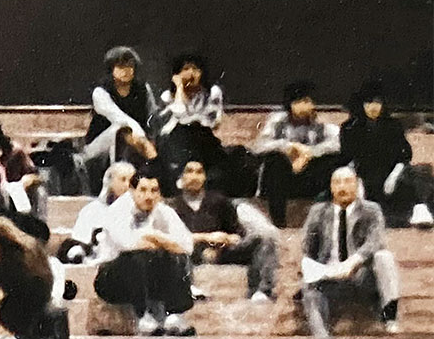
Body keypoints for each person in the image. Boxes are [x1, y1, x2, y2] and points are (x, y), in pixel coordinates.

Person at [300, 165, 402, 336]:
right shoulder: (318, 212)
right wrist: (320, 269)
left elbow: (375, 241)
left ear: (357, 185)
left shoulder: (371, 210)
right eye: (337, 183)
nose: (342, 187)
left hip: (361, 274)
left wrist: (352, 262)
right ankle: (321, 338)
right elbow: (307, 247)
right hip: (329, 274)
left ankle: (390, 316)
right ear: (331, 187)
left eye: (347, 182)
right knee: (309, 285)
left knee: (384, 256)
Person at [93, 170, 196, 335]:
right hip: (112, 277)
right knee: (138, 256)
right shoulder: (118, 210)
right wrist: (161, 240)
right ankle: (143, 316)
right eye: (143, 190)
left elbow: (187, 245)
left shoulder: (164, 211)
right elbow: (127, 244)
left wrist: (156, 238)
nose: (149, 196)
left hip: (150, 275)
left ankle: (174, 315)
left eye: (154, 191)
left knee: (177, 257)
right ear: (132, 191)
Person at [169, 158, 279, 302]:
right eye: (189, 171)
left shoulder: (218, 201)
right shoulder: (173, 207)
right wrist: (206, 238)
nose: (195, 176)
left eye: (199, 172)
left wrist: (226, 240)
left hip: (220, 252)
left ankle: (262, 291)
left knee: (264, 240)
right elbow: (172, 238)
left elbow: (237, 234)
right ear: (181, 178)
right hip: (189, 254)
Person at [338, 79, 434, 228]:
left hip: (392, 178)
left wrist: (394, 175)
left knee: (419, 172)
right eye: (369, 103)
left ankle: (420, 208)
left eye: (377, 102)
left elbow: (404, 156)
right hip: (366, 180)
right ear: (362, 105)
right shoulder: (349, 128)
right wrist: (357, 181)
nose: (373, 107)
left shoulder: (393, 126)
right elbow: (347, 159)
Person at [253, 81, 340, 227]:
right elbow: (259, 146)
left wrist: (309, 153)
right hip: (282, 179)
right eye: (298, 102)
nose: (303, 107)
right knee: (275, 161)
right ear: (290, 104)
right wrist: (290, 147)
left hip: (308, 177)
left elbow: (336, 144)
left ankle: (328, 221)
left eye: (307, 102)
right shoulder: (277, 121)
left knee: (332, 162)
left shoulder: (320, 121)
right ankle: (279, 223)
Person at [149, 53, 230, 191]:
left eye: (196, 69)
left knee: (196, 130)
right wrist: (180, 89)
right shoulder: (167, 97)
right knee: (182, 132)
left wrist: (189, 120)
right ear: (177, 75)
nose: (191, 73)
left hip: (203, 141)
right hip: (174, 144)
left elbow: (211, 122)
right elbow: (171, 122)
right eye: (185, 69)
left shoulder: (211, 93)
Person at [81, 47, 159, 186]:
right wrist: (142, 140)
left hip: (137, 144)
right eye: (121, 66)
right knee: (122, 129)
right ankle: (116, 182)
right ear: (112, 69)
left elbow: (152, 117)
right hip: (98, 149)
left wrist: (147, 140)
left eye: (130, 66)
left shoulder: (143, 89)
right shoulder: (101, 92)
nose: (126, 71)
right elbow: (119, 118)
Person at [59, 161, 135, 265]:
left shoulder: (138, 212)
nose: (127, 185)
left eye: (131, 182)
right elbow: (80, 242)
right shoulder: (91, 210)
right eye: (123, 179)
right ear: (111, 181)